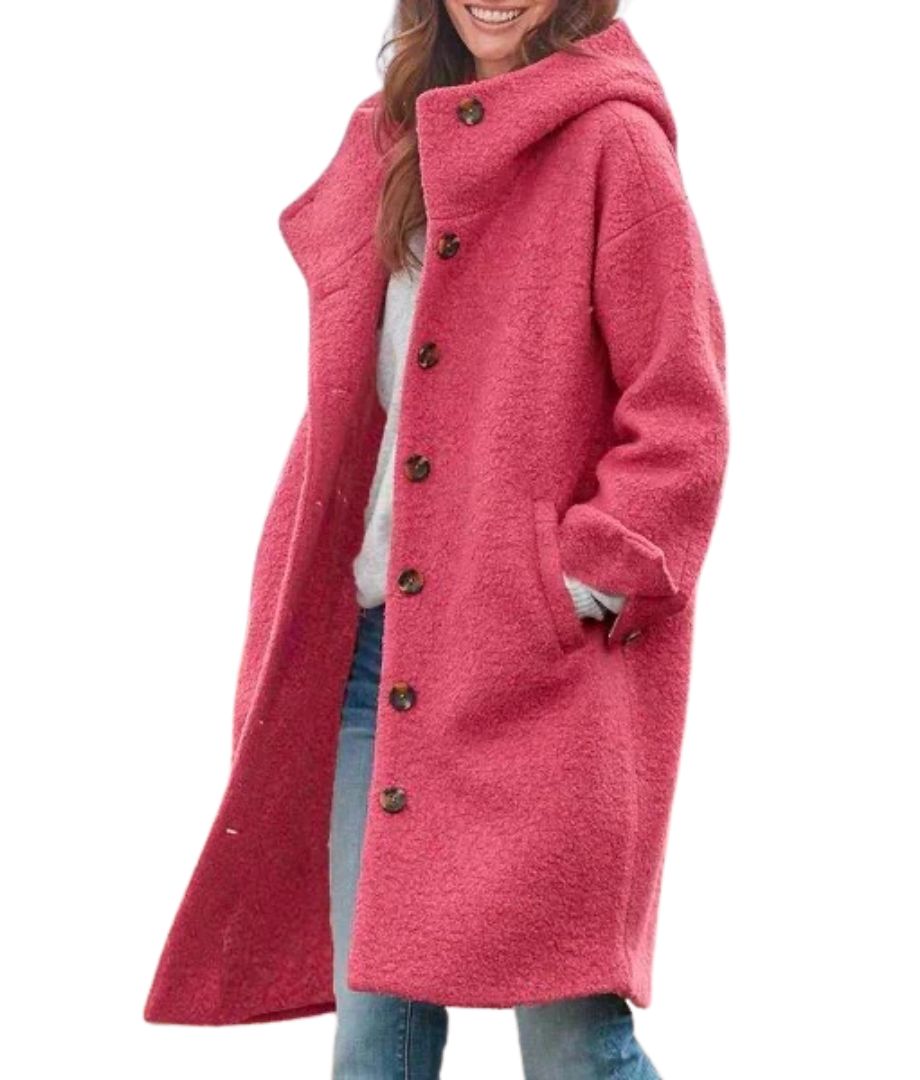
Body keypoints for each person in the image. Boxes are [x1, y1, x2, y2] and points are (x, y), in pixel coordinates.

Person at [145, 3, 729, 1078]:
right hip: (377, 659)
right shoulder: (399, 142)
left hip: (538, 673)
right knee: (376, 1037)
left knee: (571, 1042)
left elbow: (681, 412)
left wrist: (569, 586)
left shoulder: (612, 142)